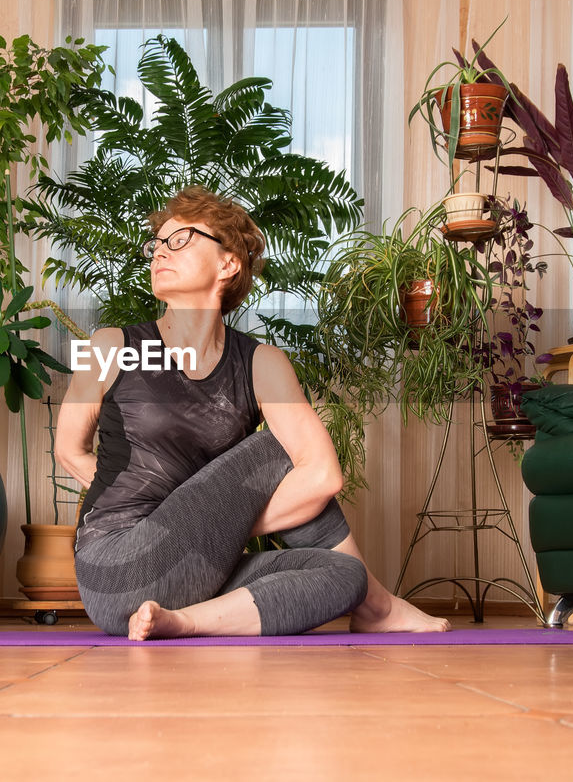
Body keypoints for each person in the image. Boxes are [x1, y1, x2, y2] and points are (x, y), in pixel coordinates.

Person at [54, 185, 451, 640]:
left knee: (345, 577)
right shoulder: (107, 343)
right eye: (156, 244)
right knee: (278, 448)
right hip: (115, 567)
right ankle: (381, 609)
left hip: (192, 574)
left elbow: (324, 476)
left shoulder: (263, 363)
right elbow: (68, 450)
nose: (160, 252)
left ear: (228, 263)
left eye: (179, 239)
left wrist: (215, 529)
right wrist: (199, 524)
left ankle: (182, 623)